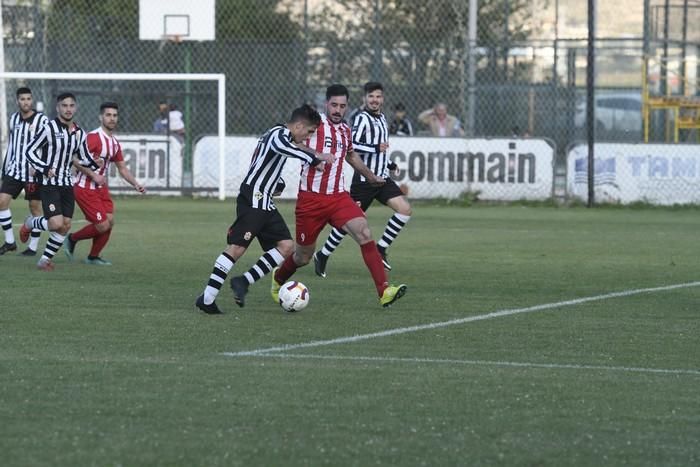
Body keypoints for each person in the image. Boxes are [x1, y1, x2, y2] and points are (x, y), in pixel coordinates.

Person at [271, 84, 407, 308]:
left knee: (364, 232)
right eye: (334, 105)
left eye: (342, 106)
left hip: (338, 197)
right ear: (327, 104)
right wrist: (316, 155)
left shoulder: (345, 130)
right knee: (302, 257)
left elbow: (351, 156)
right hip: (311, 201)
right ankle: (278, 278)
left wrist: (370, 176)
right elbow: (292, 142)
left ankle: (384, 291)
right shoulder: (314, 125)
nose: (338, 110)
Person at [196, 104, 334, 314]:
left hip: (264, 201)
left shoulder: (279, 136)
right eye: (309, 132)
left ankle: (243, 281)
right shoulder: (280, 134)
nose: (308, 137)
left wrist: (275, 181)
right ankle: (207, 299)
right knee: (236, 249)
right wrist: (314, 159)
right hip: (254, 199)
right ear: (298, 125)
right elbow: (283, 149)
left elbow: (265, 158)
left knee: (286, 246)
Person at [314, 81, 412, 276]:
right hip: (364, 181)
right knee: (348, 224)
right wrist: (376, 149)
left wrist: (389, 163)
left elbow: (380, 150)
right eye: (371, 96)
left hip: (382, 178)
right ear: (364, 98)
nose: (374, 100)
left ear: (382, 99)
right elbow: (353, 146)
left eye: (378, 96)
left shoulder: (382, 118)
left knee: (405, 210)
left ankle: (381, 248)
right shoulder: (361, 119)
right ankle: (323, 255)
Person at [19, 92, 102, 271]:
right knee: (55, 224)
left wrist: (96, 163)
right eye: (64, 106)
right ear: (58, 108)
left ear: (75, 108)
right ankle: (29, 223)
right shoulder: (49, 128)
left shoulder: (79, 132)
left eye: (71, 106)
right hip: (49, 183)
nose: (68, 109)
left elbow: (84, 157)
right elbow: (29, 151)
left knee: (65, 226)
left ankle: (43, 261)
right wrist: (44, 167)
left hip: (67, 184)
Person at [63, 102, 146, 266]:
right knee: (102, 226)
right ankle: (72, 239)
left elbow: (122, 168)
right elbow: (74, 159)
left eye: (115, 115)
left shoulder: (114, 143)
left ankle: (93, 257)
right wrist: (93, 174)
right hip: (84, 188)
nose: (112, 118)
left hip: (101, 189)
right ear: (101, 117)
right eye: (108, 115)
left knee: (110, 222)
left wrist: (136, 184)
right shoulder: (93, 137)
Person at [0, 87, 49, 256]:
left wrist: (40, 167)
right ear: (17, 101)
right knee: (1, 202)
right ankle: (10, 241)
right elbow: (12, 146)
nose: (26, 102)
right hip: (14, 170)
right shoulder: (13, 119)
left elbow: (47, 145)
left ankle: (33, 248)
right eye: (22, 99)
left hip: (32, 172)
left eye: (28, 98)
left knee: (35, 208)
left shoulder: (42, 120)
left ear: (32, 100)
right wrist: (4, 169)